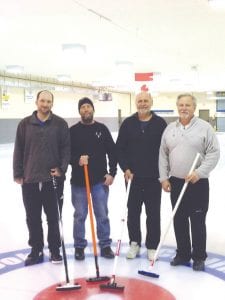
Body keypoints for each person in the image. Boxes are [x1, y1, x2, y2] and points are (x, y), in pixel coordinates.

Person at [159, 93, 220, 271]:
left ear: (194, 107)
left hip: (197, 183)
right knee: (179, 219)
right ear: (177, 107)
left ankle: (199, 257)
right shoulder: (170, 128)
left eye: (187, 105)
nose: (184, 108)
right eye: (181, 105)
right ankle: (183, 253)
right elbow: (163, 154)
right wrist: (164, 177)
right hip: (176, 182)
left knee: (198, 220)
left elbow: (214, 153)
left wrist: (199, 172)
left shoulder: (205, 128)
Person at [13, 90, 70, 266]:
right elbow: (19, 150)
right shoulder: (24, 124)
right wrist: (18, 173)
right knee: (32, 217)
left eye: (48, 102)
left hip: (52, 180)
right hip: (30, 179)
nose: (45, 104)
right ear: (36, 102)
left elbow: (66, 149)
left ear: (52, 104)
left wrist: (61, 169)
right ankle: (36, 249)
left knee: (53, 217)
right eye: (42, 101)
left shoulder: (60, 124)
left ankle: (54, 250)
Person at [116, 91, 167, 260]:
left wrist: (164, 173)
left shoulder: (160, 124)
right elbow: (119, 149)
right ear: (136, 103)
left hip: (153, 177)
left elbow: (166, 150)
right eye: (140, 101)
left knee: (153, 213)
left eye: (146, 101)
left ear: (151, 102)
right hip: (133, 178)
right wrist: (125, 168)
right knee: (133, 213)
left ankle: (152, 246)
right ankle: (134, 243)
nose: (143, 103)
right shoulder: (128, 124)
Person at [70, 97, 117, 260]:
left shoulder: (102, 129)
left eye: (88, 106)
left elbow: (113, 151)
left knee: (102, 214)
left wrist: (112, 173)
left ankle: (105, 245)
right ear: (79, 111)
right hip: (78, 182)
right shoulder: (72, 131)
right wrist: (77, 159)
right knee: (80, 215)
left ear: (93, 109)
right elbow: (66, 155)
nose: (86, 110)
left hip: (99, 181)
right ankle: (79, 246)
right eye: (82, 107)